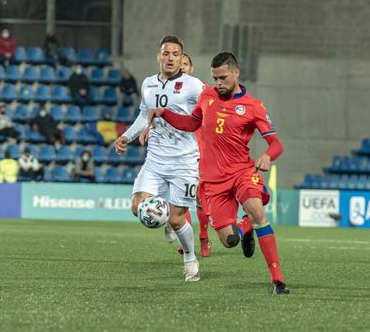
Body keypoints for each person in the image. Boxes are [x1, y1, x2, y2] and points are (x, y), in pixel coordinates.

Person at [143, 52, 289, 294]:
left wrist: (267, 156)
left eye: (222, 78)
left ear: (235, 73)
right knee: (229, 241)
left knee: (257, 211)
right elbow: (191, 124)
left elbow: (276, 144)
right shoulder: (207, 96)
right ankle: (245, 227)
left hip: (241, 172)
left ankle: (278, 280)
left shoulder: (254, 107)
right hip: (213, 181)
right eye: (215, 78)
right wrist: (164, 113)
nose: (218, 83)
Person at [114, 35, 205, 282]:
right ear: (159, 57)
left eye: (175, 54)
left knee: (177, 219)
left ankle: (189, 258)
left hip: (184, 162)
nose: (170, 58)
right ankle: (163, 215)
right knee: (136, 207)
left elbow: (210, 111)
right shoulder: (148, 84)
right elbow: (143, 116)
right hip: (155, 160)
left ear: (181, 57)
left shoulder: (194, 85)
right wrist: (126, 137)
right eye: (166, 53)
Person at [177, 52, 211, 257]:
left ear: (191, 69)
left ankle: (203, 236)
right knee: (182, 196)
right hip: (177, 149)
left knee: (199, 196)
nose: (182, 67)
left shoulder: (201, 89)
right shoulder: (166, 89)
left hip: (200, 146)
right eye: (179, 64)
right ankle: (185, 238)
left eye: (186, 64)